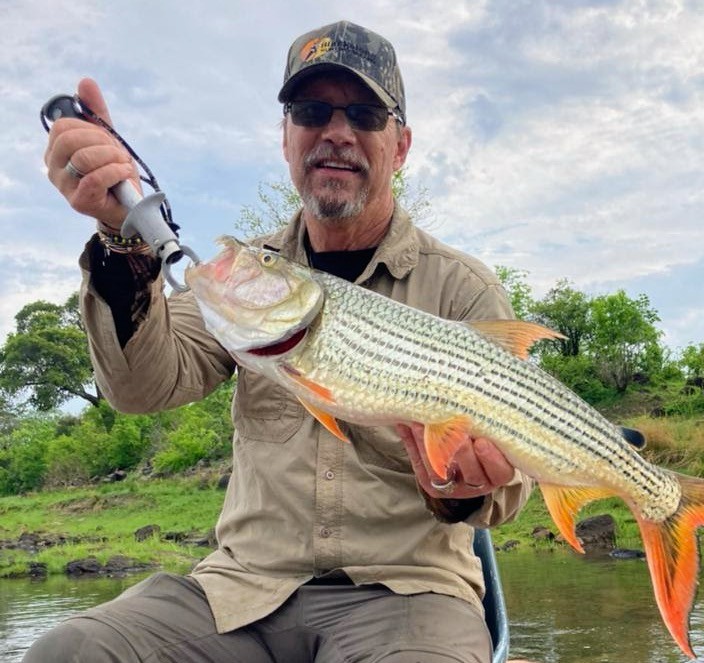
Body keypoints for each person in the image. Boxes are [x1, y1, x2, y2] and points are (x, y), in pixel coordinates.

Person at [28, 20, 529, 663]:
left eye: (365, 115)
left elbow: (511, 487)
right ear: (287, 138)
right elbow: (141, 386)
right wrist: (122, 238)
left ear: (399, 146)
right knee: (69, 651)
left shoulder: (463, 289)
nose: (337, 133)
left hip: (409, 597)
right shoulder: (247, 275)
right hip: (241, 592)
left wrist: (463, 489)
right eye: (311, 111)